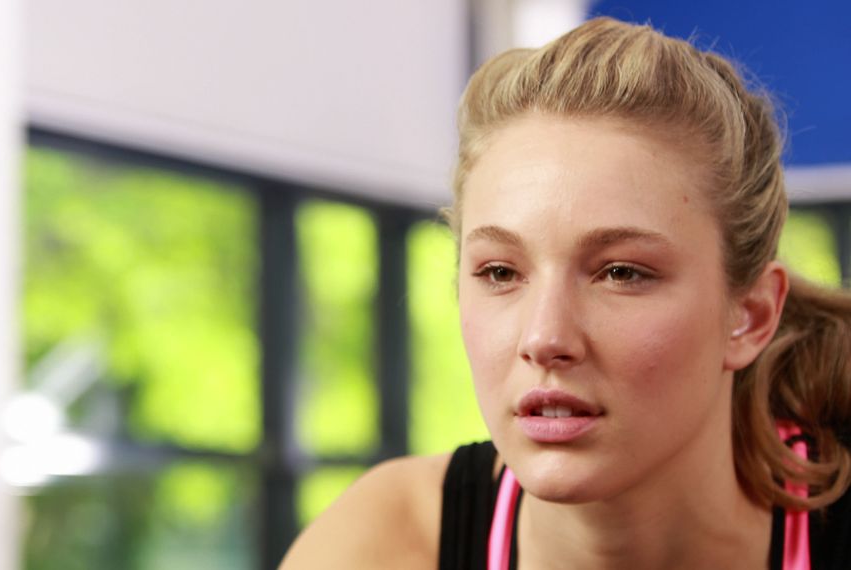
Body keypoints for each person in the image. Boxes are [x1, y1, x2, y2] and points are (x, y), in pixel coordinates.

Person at [279, 17, 851, 570]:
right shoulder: (385, 542)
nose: (544, 338)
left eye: (621, 272)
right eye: (501, 272)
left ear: (750, 316)